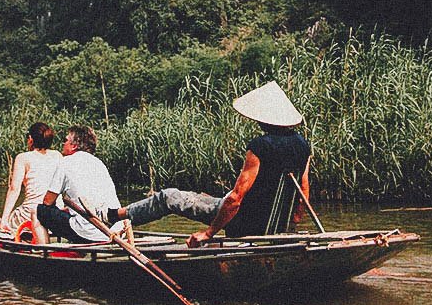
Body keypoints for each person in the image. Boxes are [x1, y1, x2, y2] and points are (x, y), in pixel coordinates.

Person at [108, 81, 311, 247]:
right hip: (274, 224)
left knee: (168, 197)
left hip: (244, 222)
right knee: (206, 198)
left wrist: (209, 233)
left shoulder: (260, 145)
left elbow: (236, 198)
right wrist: (289, 226)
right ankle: (118, 215)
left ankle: (114, 216)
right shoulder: (303, 146)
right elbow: (303, 193)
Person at [33, 124, 125, 244]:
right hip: (116, 231)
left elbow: (47, 202)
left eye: (65, 140)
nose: (63, 143)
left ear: (74, 146)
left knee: (38, 210)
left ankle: (43, 251)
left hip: (88, 233)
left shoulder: (65, 163)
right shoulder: (99, 163)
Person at [0, 121, 61, 235]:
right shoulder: (57, 155)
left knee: (4, 222)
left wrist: (5, 218)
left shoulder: (23, 158)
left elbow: (14, 189)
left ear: (31, 139)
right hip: (55, 215)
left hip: (30, 214)